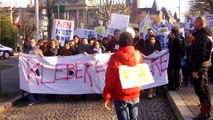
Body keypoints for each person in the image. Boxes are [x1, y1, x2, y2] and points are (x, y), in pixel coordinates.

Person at [102, 27, 142, 120]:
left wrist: (106, 96)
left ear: (119, 42)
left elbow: (110, 79)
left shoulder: (114, 58)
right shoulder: (137, 55)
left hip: (120, 95)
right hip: (135, 92)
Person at [189, 16, 212, 120]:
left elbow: (200, 53)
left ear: (199, 23)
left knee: (200, 89)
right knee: (205, 88)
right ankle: (207, 111)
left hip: (201, 66)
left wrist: (196, 70)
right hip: (206, 65)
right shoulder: (208, 33)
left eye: (195, 22)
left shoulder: (202, 35)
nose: (194, 24)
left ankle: (204, 113)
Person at [23, 38, 44, 106]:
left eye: (32, 42)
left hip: (36, 69)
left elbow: (42, 58)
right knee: (30, 83)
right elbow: (24, 58)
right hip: (29, 69)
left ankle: (36, 98)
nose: (31, 43)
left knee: (36, 83)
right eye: (30, 42)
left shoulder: (38, 50)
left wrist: (42, 56)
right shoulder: (26, 50)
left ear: (35, 43)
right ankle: (32, 99)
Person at [143, 35, 162, 99]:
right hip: (149, 65)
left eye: (153, 39)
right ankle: (150, 92)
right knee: (150, 78)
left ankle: (154, 92)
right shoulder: (146, 47)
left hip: (156, 65)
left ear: (155, 40)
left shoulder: (158, 47)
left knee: (155, 78)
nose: (152, 40)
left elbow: (160, 54)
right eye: (150, 39)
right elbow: (145, 55)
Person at [167, 26, 183, 91]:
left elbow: (181, 50)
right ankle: (170, 85)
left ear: (173, 33)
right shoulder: (170, 39)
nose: (169, 33)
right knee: (169, 72)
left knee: (176, 73)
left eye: (170, 32)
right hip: (171, 59)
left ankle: (177, 85)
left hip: (177, 59)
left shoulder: (179, 39)